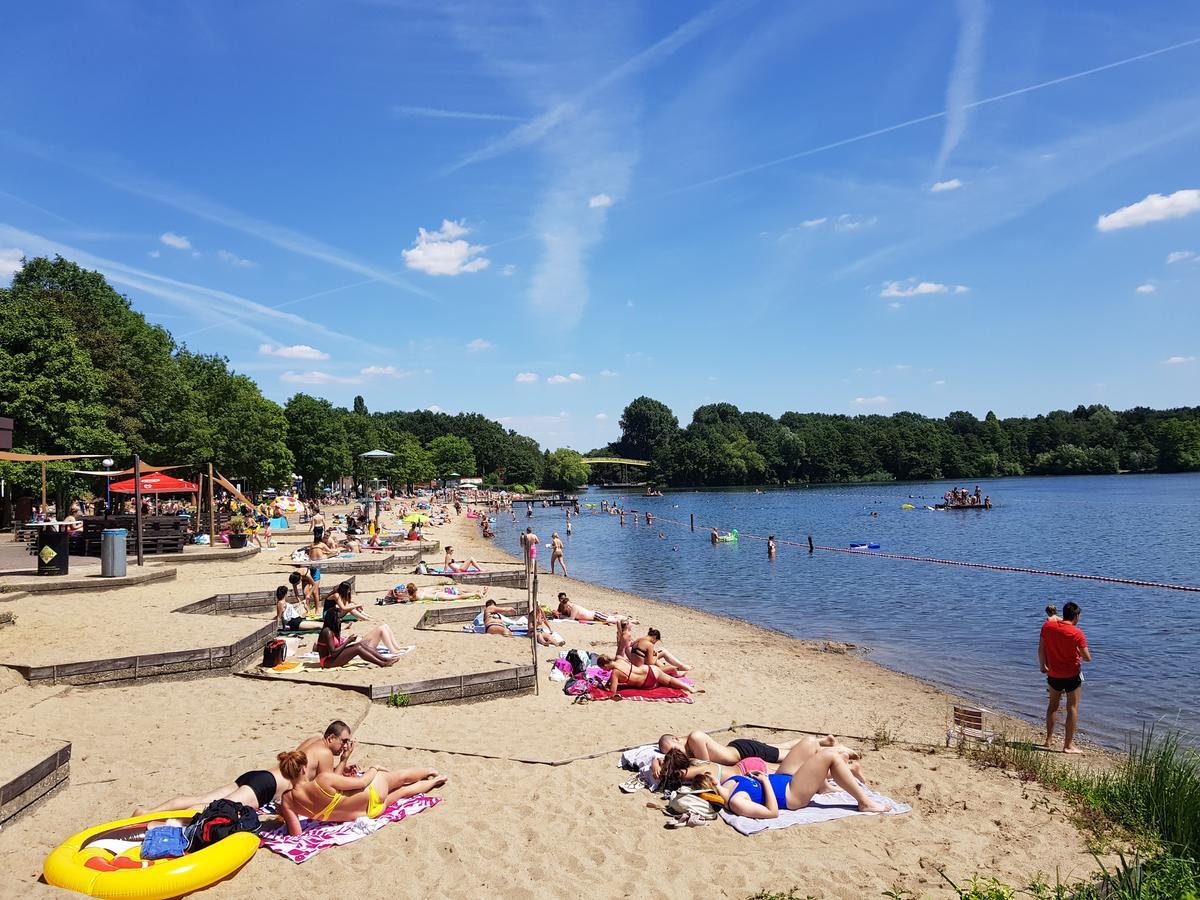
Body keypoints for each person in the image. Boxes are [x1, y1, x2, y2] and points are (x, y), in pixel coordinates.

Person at [691, 740, 887, 817]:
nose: (712, 778)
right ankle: (865, 802)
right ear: (712, 786)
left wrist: (755, 776)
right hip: (791, 795)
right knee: (830, 757)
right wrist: (765, 782)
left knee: (810, 743)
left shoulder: (729, 784)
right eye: (710, 780)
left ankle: (824, 786)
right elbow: (772, 812)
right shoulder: (736, 802)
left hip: (783, 778)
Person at [278, 750, 446, 835]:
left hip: (369, 814)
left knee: (403, 792)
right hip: (371, 793)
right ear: (304, 769)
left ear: (286, 774)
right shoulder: (323, 780)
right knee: (399, 777)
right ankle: (431, 773)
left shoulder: (287, 801)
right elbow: (361, 782)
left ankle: (433, 782)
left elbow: (296, 833)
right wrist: (375, 768)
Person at [134, 753, 299, 815]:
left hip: (257, 775)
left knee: (201, 798)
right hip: (265, 786)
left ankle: (148, 811)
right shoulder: (305, 776)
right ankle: (165, 822)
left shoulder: (296, 757)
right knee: (214, 807)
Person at [1039, 601, 1091, 754]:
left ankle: (1048, 739)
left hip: (1053, 674)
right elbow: (1087, 658)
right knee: (1072, 708)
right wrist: (1075, 647)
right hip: (1071, 675)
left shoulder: (1047, 627)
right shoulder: (1076, 633)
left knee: (1053, 706)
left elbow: (1041, 649)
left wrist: (1042, 666)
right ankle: (1067, 745)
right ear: (1076, 616)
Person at [314, 605, 400, 669]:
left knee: (361, 644)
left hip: (333, 658)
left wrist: (349, 641)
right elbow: (333, 652)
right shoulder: (327, 632)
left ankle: (384, 659)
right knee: (358, 648)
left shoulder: (332, 630)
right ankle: (382, 663)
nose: (340, 620)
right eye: (338, 618)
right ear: (332, 619)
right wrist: (348, 641)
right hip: (327, 661)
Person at [596, 654, 697, 697]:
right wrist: (609, 681)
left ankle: (676, 673)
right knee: (669, 680)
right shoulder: (619, 659)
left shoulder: (615, 673)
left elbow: (612, 692)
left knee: (667, 683)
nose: (605, 670)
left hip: (647, 682)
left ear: (605, 665)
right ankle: (688, 687)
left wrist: (604, 686)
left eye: (603, 668)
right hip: (649, 669)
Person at [556, 592, 634, 625]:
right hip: (595, 616)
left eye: (568, 605)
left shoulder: (574, 608)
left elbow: (571, 619)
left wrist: (562, 617)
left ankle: (630, 621)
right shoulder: (572, 607)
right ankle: (625, 617)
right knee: (611, 618)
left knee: (614, 621)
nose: (568, 607)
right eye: (567, 606)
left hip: (596, 616)